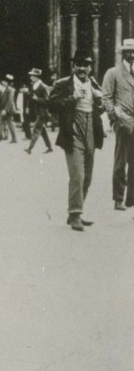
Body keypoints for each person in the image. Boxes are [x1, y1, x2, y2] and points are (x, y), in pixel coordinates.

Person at [48, 52, 104, 231]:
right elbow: (52, 106)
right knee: (77, 175)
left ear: (90, 67)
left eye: (86, 65)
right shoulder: (63, 84)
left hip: (91, 132)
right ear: (73, 67)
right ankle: (75, 214)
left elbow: (100, 110)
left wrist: (100, 102)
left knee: (87, 176)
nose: (82, 68)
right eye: (79, 64)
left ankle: (75, 213)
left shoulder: (94, 83)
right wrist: (73, 98)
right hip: (73, 132)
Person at [101, 37, 134, 210]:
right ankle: (118, 198)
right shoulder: (113, 72)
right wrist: (114, 118)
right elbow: (106, 97)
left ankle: (131, 199)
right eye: (128, 51)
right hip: (122, 122)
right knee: (120, 163)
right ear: (123, 53)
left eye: (133, 52)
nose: (131, 54)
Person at [24, 68, 53, 154]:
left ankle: (30, 148)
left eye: (32, 75)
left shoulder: (44, 87)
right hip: (38, 111)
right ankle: (49, 147)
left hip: (43, 112)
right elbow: (31, 98)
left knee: (36, 129)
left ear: (36, 77)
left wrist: (37, 99)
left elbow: (48, 100)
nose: (30, 77)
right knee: (42, 130)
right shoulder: (34, 85)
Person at [0, 75, 17, 143]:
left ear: (7, 82)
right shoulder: (2, 89)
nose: (2, 82)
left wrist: (5, 110)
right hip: (4, 109)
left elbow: (10, 101)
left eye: (4, 81)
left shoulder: (11, 90)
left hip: (8, 110)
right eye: (2, 81)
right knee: (2, 123)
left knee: (7, 124)